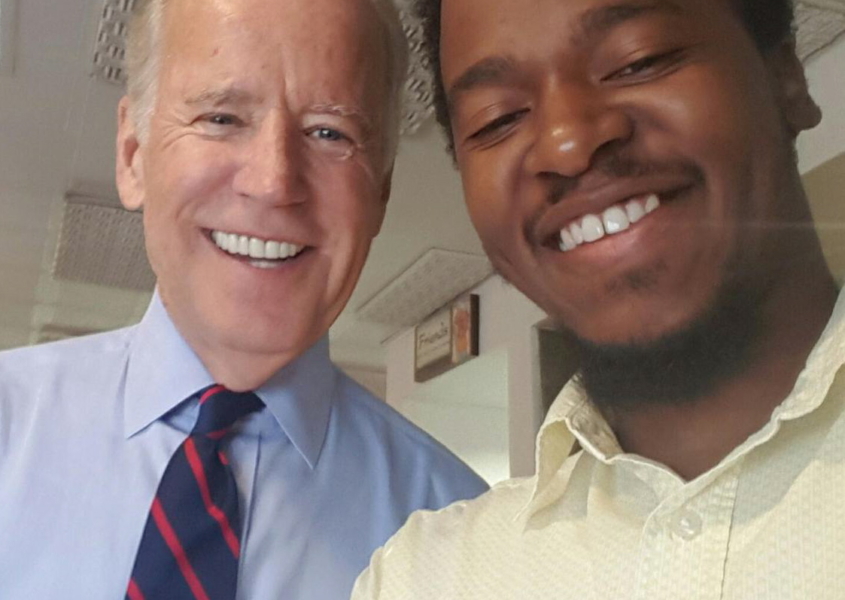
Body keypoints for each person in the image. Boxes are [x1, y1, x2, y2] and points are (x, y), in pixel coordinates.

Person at [352, 0, 845, 597]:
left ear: (785, 76)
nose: (567, 143)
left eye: (640, 60)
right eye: (498, 118)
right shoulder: (423, 577)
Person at [0, 0, 488, 597]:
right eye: (222, 118)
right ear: (133, 156)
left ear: (380, 191)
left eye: (330, 132)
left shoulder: (462, 534)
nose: (274, 180)